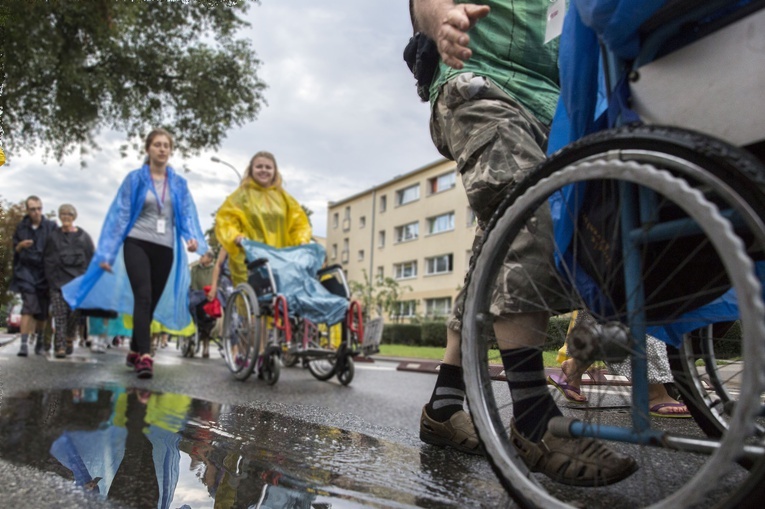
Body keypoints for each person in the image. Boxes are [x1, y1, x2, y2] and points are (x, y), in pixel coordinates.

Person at [411, 1, 637, 486]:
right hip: (479, 81)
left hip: (556, 103)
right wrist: (440, 22)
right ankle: (534, 419)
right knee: (527, 210)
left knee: (493, 252)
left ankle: (443, 405)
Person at [63, 128, 208, 379]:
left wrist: (191, 238)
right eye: (157, 144)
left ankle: (134, 347)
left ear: (170, 150)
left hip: (165, 248)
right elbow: (120, 217)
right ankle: (146, 356)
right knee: (143, 296)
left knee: (149, 302)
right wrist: (107, 253)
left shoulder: (179, 184)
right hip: (137, 243)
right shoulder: (135, 180)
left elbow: (185, 215)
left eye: (166, 145)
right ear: (148, 149)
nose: (162, 149)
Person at [215, 151, 312, 368]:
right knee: (252, 308)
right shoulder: (240, 196)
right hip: (248, 258)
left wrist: (302, 240)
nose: (264, 170)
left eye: (268, 167)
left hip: (277, 258)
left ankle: (266, 350)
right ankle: (247, 350)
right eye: (259, 166)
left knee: (274, 305)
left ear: (275, 171)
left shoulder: (284, 198)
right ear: (251, 170)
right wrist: (235, 236)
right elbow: (227, 220)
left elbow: (298, 223)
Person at [43, 204, 95, 358]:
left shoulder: (84, 237)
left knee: (73, 315)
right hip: (58, 282)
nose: (65, 217)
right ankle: (59, 345)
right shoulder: (53, 236)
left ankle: (69, 338)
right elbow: (47, 259)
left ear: (74, 217)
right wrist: (51, 280)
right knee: (59, 314)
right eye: (62, 214)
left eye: (68, 214)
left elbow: (91, 258)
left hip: (76, 283)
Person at [11, 195, 56, 356]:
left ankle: (39, 342)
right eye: (33, 209)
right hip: (26, 271)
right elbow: (14, 250)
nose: (36, 212)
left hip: (44, 272)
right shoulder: (21, 227)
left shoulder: (51, 226)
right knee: (29, 306)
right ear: (27, 210)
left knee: (42, 312)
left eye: (39, 208)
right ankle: (23, 345)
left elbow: (57, 248)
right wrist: (20, 246)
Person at [190, 250, 217, 358]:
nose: (201, 257)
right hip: (196, 294)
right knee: (191, 304)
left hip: (209, 295)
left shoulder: (214, 269)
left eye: (203, 255)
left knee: (209, 316)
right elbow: (192, 283)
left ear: (210, 259)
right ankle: (193, 333)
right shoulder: (195, 268)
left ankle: (206, 344)